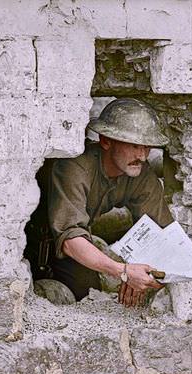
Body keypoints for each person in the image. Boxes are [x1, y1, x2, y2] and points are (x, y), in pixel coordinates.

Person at [24, 98, 171, 307]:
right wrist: (124, 272)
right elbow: (69, 238)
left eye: (147, 146)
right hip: (30, 237)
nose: (142, 155)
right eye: (134, 145)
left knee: (86, 289)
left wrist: (144, 269)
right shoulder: (75, 167)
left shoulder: (141, 173)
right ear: (106, 141)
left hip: (77, 240)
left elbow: (163, 231)